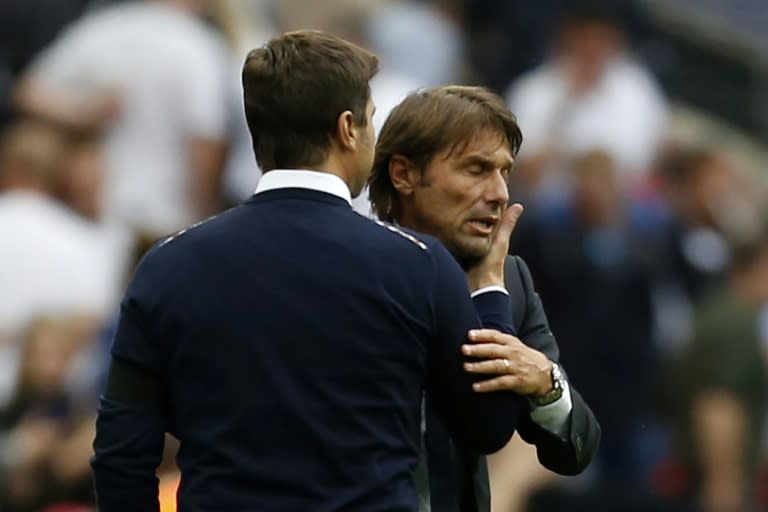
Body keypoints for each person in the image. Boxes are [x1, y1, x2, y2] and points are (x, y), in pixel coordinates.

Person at [91, 31, 524, 511]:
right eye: (371, 120)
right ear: (347, 129)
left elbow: (121, 457)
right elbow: (488, 425)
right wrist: (489, 287)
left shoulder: (166, 266)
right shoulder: (417, 264)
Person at [368, 85, 601, 512]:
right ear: (403, 175)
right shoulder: (353, 272)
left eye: (504, 172)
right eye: (476, 169)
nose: (499, 194)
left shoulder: (509, 278)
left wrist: (545, 383)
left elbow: (576, 448)